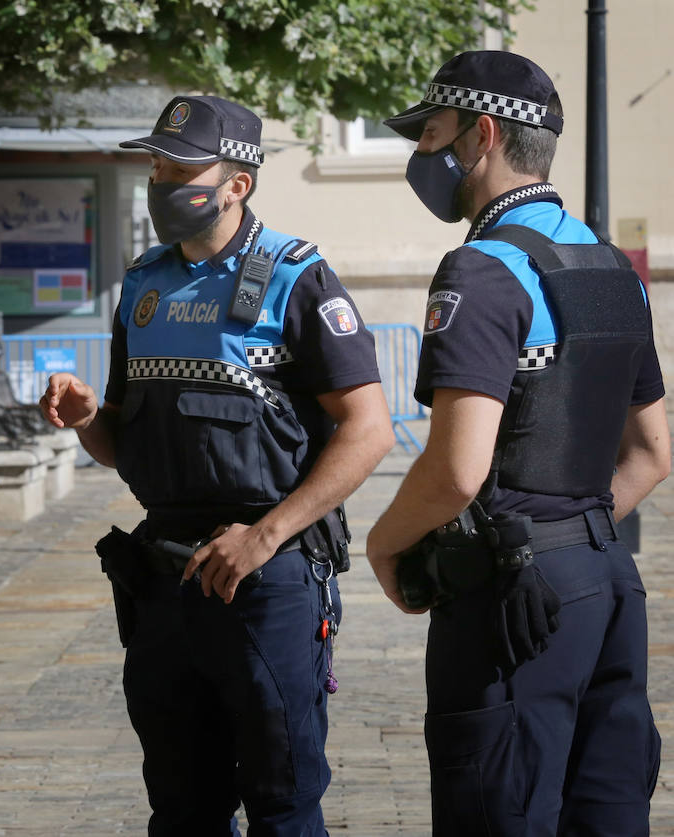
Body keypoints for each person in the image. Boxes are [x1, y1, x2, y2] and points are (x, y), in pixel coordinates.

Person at [40, 95, 394, 836]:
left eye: (181, 167)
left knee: (283, 801)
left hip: (267, 578)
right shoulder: (142, 286)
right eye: (157, 164)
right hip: (165, 579)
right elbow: (121, 443)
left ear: (238, 182)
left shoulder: (298, 278)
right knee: (180, 807)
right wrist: (84, 420)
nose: (162, 180)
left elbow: (368, 429)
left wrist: (265, 536)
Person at [365, 51, 669, 836]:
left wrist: (385, 544)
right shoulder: (612, 268)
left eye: (432, 134)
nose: (423, 156)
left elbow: (457, 470)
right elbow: (652, 452)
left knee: (496, 808)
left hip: (517, 599)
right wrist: (575, 534)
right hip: (608, 581)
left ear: (483, 134)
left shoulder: (483, 270)